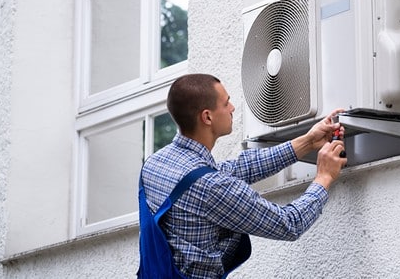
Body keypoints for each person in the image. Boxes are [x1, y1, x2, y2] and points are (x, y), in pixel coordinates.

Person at [140, 73, 347, 279]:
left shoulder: (155, 164)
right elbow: (289, 224)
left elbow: (238, 169)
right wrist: (324, 177)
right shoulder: (212, 187)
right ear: (207, 117)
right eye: (226, 103)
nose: (232, 108)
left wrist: (307, 143)